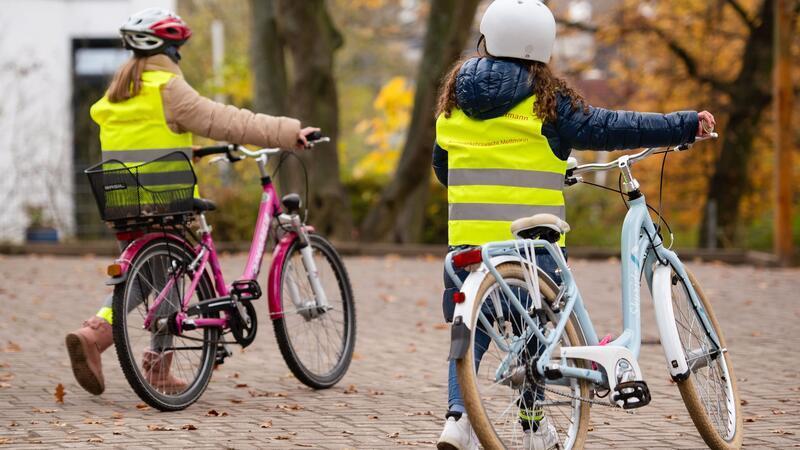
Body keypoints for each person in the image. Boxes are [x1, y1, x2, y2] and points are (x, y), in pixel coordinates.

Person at [432, 1, 715, 449]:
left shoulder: (452, 108)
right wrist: (681, 125)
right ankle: (530, 425)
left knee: (470, 336)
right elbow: (609, 127)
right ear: (541, 48)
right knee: (537, 334)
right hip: (535, 248)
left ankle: (457, 419)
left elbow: (445, 171)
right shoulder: (547, 103)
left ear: (485, 40)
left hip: (469, 248)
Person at [65, 8, 318, 396]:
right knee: (169, 283)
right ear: (170, 50)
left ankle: (104, 336)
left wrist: (190, 149)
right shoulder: (169, 88)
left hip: (123, 202)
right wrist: (289, 131)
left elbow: (144, 140)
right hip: (167, 201)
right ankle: (125, 348)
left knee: (150, 279)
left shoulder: (117, 95)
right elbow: (229, 120)